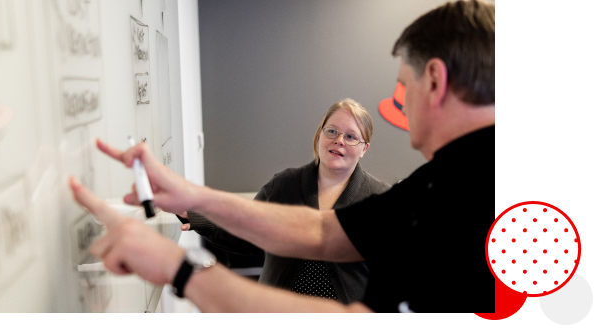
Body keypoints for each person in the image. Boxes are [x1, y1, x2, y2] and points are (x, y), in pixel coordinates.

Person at [69, 0, 495, 313]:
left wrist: (179, 269)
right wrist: (191, 197)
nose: (403, 105)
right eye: (333, 131)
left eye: (406, 86)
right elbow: (324, 233)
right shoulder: (445, 180)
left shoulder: (472, 195)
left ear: (435, 80)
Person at [177, 99, 390, 304]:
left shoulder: (380, 197)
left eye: (351, 136)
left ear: (364, 149)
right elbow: (246, 232)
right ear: (320, 134)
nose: (339, 140)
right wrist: (197, 216)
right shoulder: (284, 184)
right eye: (332, 131)